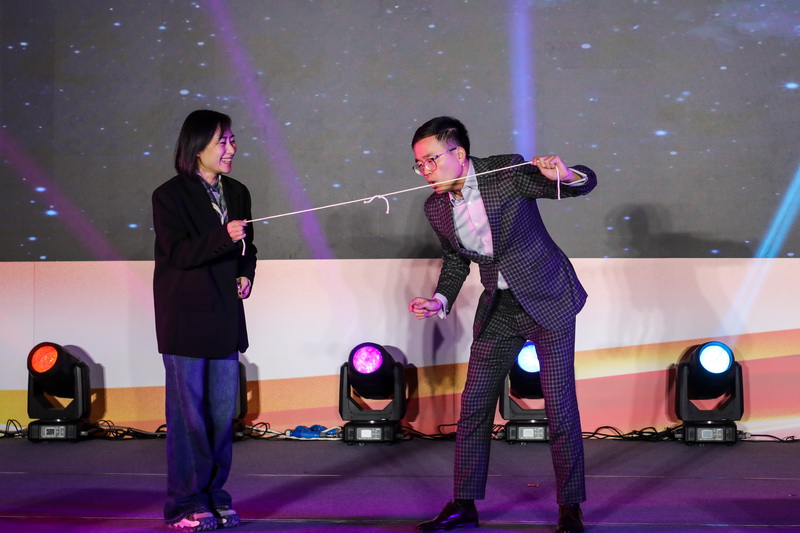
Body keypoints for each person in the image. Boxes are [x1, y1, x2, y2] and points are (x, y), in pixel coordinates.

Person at [408, 116, 596, 533]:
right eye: (419, 165)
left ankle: (570, 508)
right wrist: (439, 299)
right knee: (474, 406)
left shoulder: (505, 172)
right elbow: (456, 260)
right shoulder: (435, 207)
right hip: (499, 307)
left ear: (459, 154)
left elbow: (578, 185)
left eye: (432, 160)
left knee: (559, 406)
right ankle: (464, 504)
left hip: (548, 297)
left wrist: (566, 175)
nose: (426, 171)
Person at [152, 109, 257, 532]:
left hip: (225, 320)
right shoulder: (169, 195)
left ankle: (215, 496)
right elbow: (177, 253)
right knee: (188, 421)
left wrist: (245, 274)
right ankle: (184, 504)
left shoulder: (239, 191)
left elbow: (249, 247)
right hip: (186, 323)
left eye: (232, 139)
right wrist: (222, 237)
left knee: (219, 418)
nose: (231, 148)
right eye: (222, 141)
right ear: (197, 147)